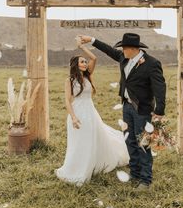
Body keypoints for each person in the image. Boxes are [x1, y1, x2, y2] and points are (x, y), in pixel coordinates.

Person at [80, 33, 166, 190]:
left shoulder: (152, 63)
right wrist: (91, 40)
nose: (121, 50)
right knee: (129, 140)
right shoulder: (124, 58)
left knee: (143, 143)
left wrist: (159, 110)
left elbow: (159, 87)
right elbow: (107, 50)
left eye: (124, 48)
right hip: (127, 107)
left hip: (142, 109)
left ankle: (145, 179)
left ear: (133, 48)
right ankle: (135, 172)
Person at [55, 38, 129, 186]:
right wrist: (74, 118)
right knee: (79, 142)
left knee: (92, 139)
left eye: (85, 61)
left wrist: (83, 47)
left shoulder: (88, 75)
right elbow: (67, 101)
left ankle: (93, 164)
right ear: (75, 65)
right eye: (82, 61)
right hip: (77, 113)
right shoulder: (69, 80)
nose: (85, 63)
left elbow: (94, 58)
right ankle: (78, 167)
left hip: (91, 113)